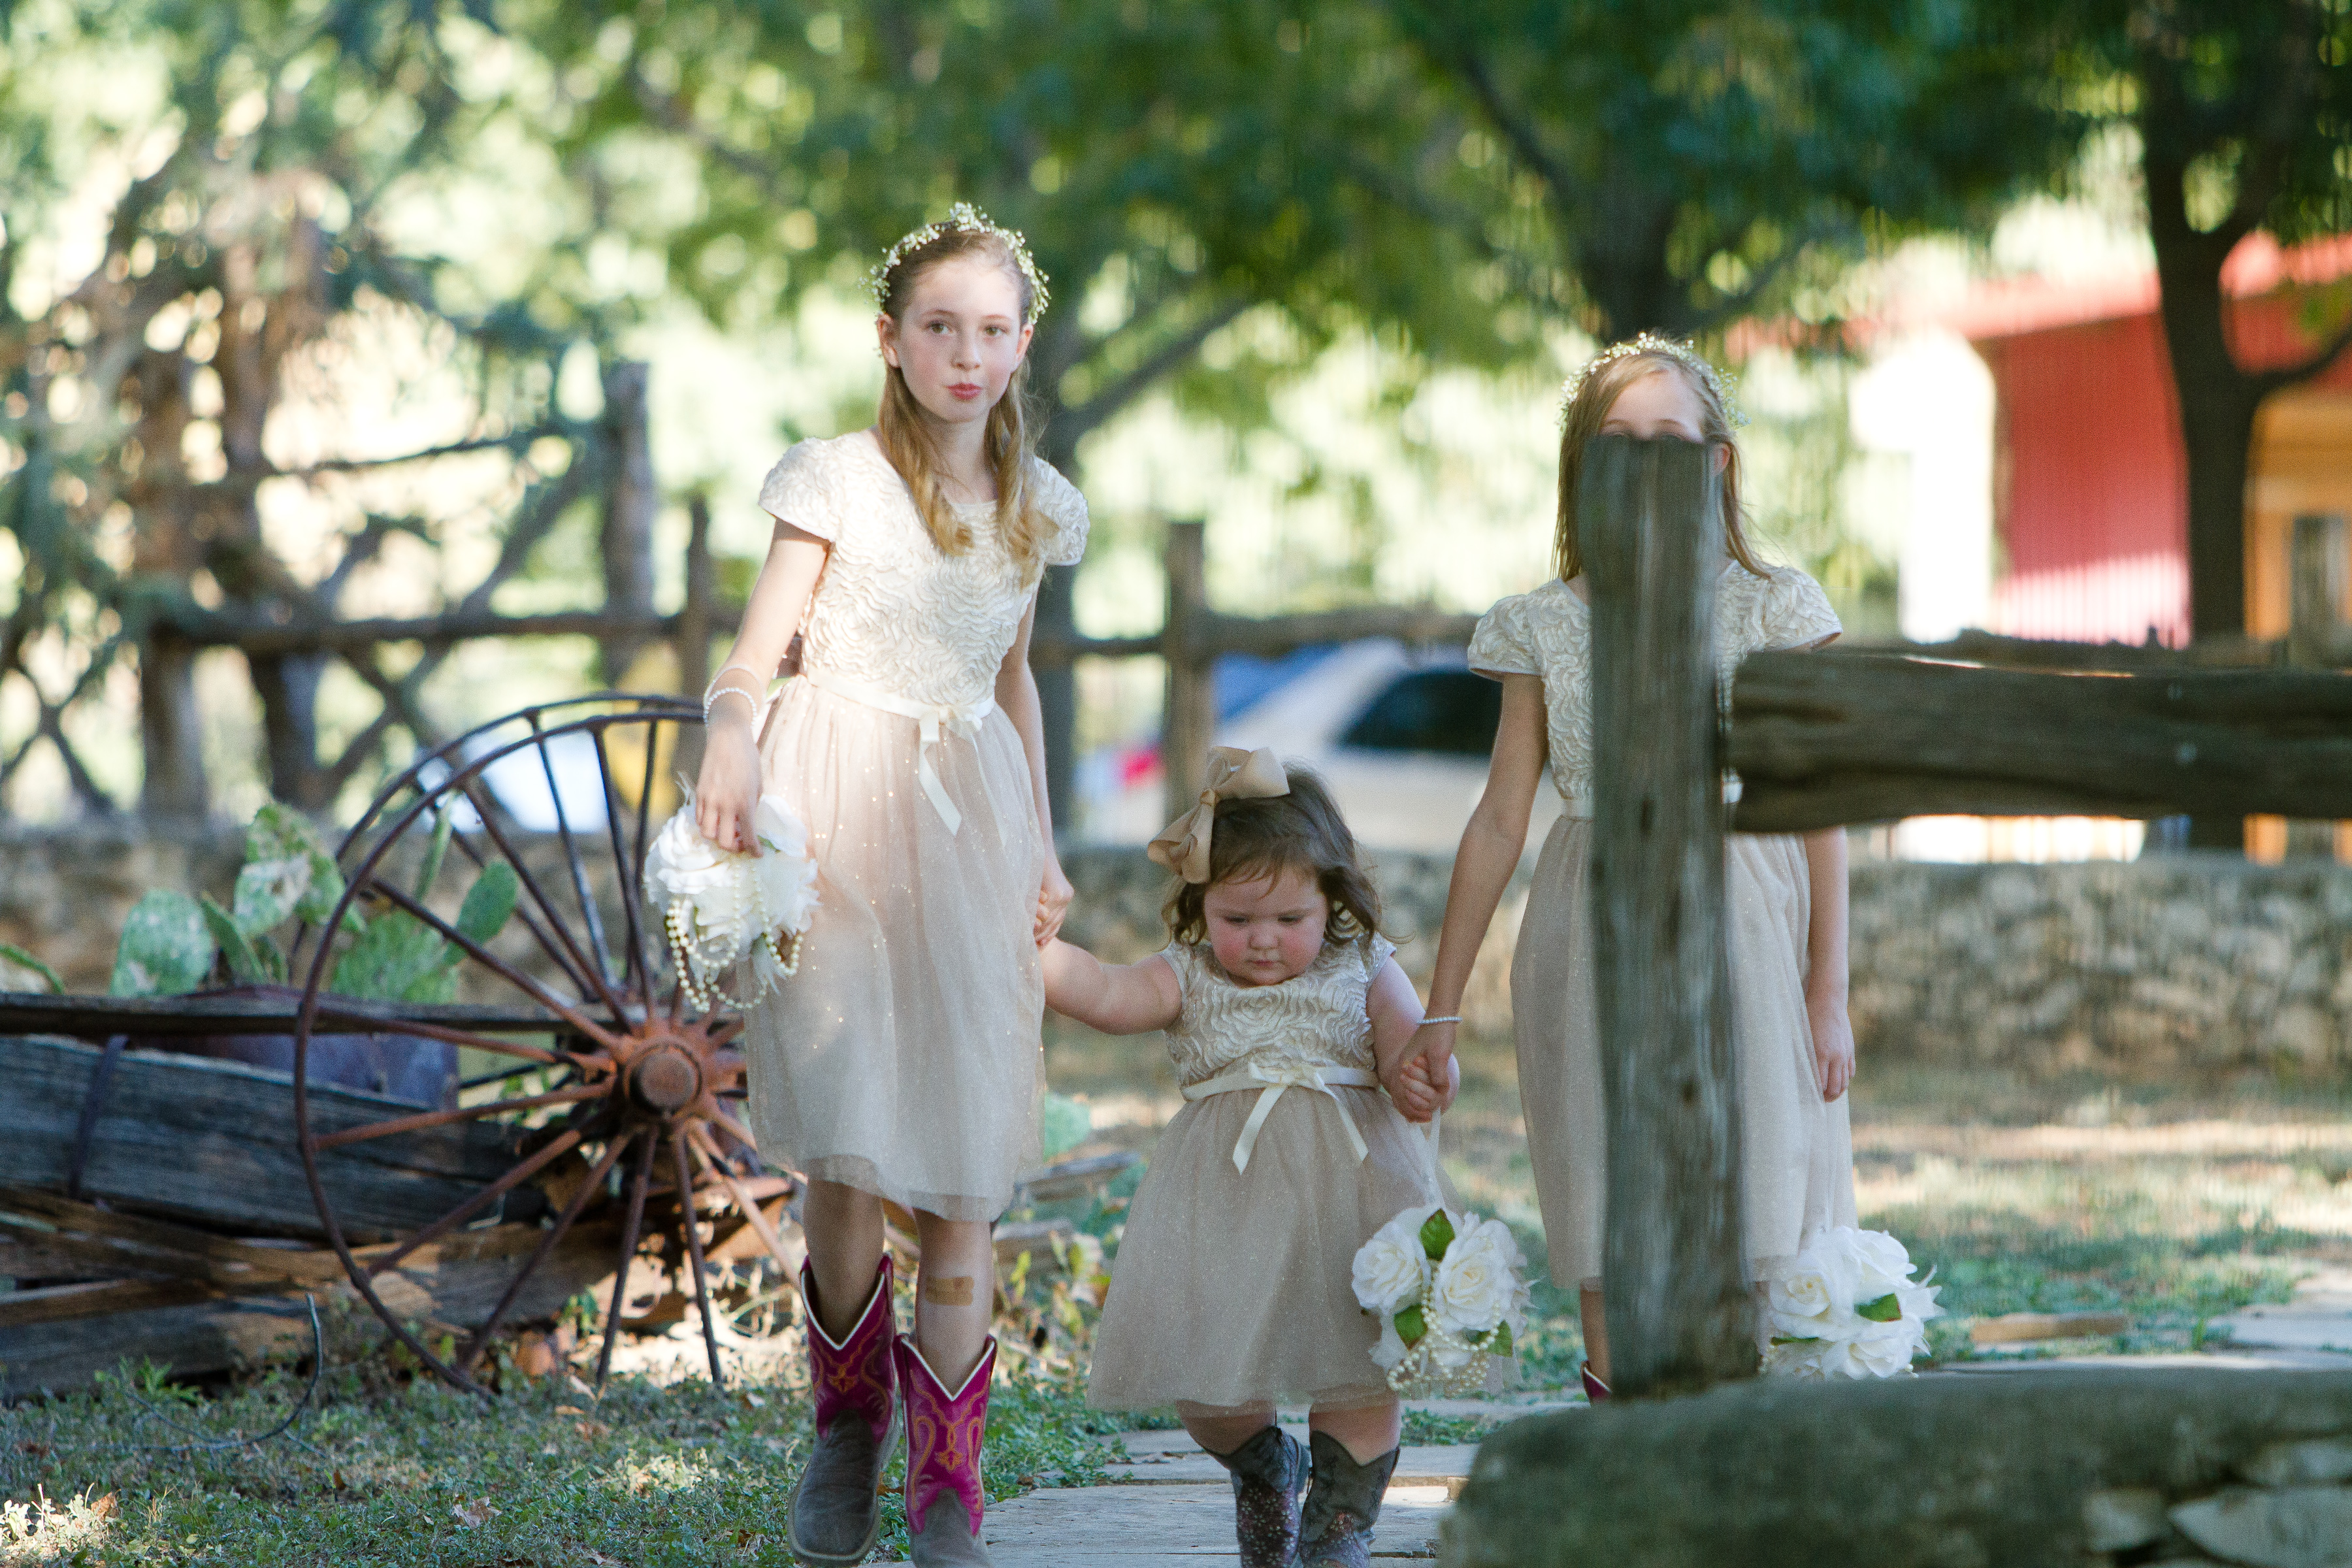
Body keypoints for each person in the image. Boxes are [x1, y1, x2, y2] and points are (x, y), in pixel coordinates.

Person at [693, 203, 1086, 1568]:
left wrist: (1043, 843)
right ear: (891, 340)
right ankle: (848, 1425)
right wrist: (731, 733)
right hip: (837, 814)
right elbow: (752, 658)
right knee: (852, 1133)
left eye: (991, 331)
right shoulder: (835, 483)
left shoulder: (1036, 507)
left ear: (1021, 346)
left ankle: (947, 1485)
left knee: (969, 1146)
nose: (966, 354)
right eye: (939, 327)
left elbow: (1013, 681)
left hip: (972, 823)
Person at [1403, 334, 1859, 1400]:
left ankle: (1734, 1438)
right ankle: (1621, 1426)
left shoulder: (1772, 607)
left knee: (1754, 1173)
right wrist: (1441, 1006)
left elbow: (1823, 804)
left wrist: (1827, 988)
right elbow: (1499, 820)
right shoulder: (1543, 623)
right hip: (1588, 917)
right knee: (1604, 1176)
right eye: (1618, 440)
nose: (1645, 461)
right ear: (1582, 464)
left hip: (1742, 909)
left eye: (1669, 438)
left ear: (1716, 462)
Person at [1041, 750, 1456, 1568]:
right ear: (1201, 906)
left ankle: (1339, 1529)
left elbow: (1410, 1050)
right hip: (1226, 1209)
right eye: (1237, 919)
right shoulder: (1188, 974)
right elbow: (1106, 993)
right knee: (1211, 1389)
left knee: (1361, 1373)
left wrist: (1421, 1074)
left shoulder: (1365, 967)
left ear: (1333, 900)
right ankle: (1266, 1468)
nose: (1263, 939)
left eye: (1290, 918)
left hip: (1353, 1202)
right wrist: (1037, 952)